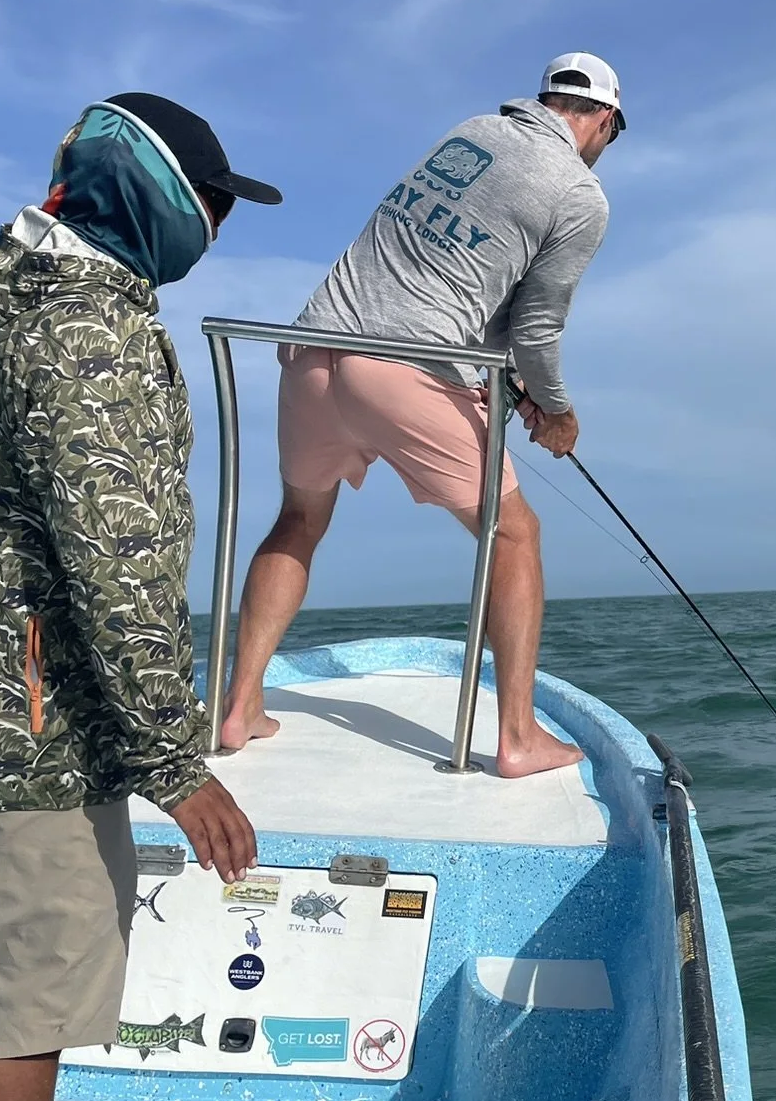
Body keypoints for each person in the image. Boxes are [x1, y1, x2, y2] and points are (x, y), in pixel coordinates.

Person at [0, 94, 275, 1101]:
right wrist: (174, 761)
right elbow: (123, 566)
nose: (218, 226)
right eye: (210, 203)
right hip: (32, 741)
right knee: (20, 1024)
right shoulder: (91, 336)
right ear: (157, 200)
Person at [218, 53, 618, 777]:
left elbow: (452, 276)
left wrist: (511, 386)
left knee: (299, 521)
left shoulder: (468, 134)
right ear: (603, 121)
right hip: (403, 372)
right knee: (514, 536)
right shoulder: (581, 194)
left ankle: (241, 707)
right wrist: (554, 409)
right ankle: (519, 738)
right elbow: (535, 328)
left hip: (315, 349)